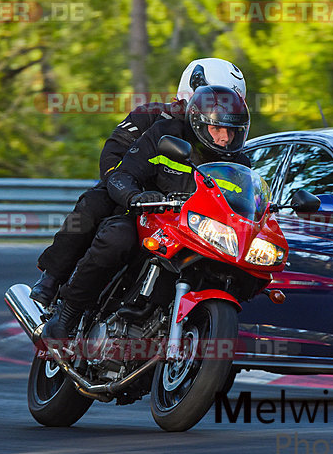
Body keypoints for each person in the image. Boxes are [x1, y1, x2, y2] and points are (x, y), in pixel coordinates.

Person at [31, 58, 248, 306]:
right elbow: (113, 156)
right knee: (95, 205)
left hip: (183, 217)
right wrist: (130, 191)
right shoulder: (153, 116)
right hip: (133, 196)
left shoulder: (225, 146)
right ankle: (53, 277)